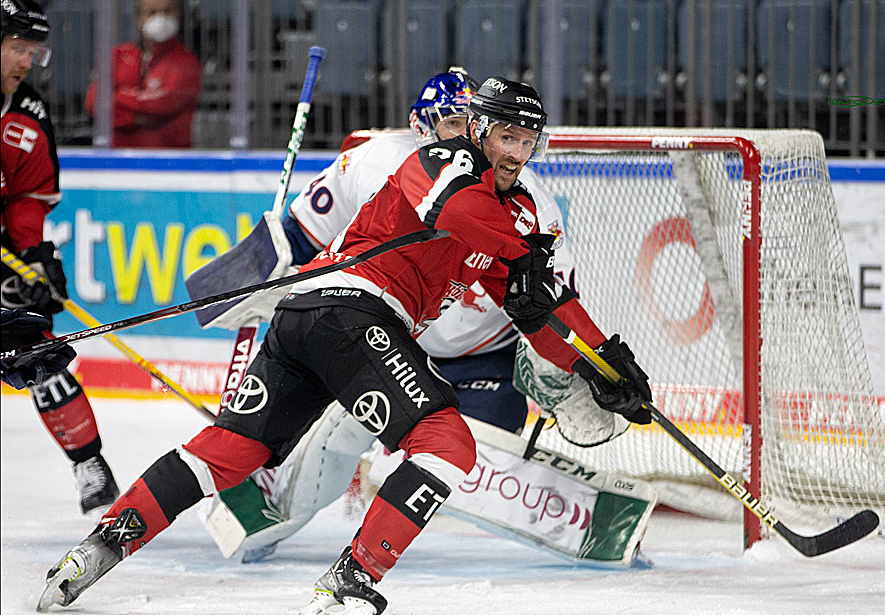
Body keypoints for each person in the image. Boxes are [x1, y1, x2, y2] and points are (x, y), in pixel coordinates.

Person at [38, 77, 653, 615]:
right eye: (508, 136)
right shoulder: (443, 161)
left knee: (236, 448)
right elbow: (459, 213)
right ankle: (352, 579)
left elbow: (536, 309)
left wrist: (605, 365)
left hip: (315, 322)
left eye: (529, 141)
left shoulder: (515, 216)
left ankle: (101, 545)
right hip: (350, 311)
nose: (518, 153)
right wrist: (529, 259)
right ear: (481, 130)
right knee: (447, 441)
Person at [196, 69, 620, 564]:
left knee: (469, 454)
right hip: (387, 338)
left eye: (473, 122)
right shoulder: (373, 162)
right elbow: (297, 235)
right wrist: (254, 273)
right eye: (456, 122)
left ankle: (575, 514)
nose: (466, 134)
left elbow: (549, 301)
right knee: (333, 434)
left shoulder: (532, 203)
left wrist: (580, 366)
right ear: (423, 127)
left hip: (486, 362)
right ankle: (277, 496)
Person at [0, 0, 120, 517]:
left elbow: (27, 196)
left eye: (34, 50)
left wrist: (32, 257)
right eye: (18, 46)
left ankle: (89, 465)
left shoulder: (26, 114)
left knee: (34, 343)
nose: (28, 60)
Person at [84, 0, 201, 148]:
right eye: (152, 12)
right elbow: (93, 103)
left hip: (169, 161)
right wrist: (138, 117)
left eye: (168, 11)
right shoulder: (117, 55)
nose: (161, 18)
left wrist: (118, 98)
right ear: (140, 18)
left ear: (178, 16)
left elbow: (166, 104)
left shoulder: (187, 61)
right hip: (117, 160)